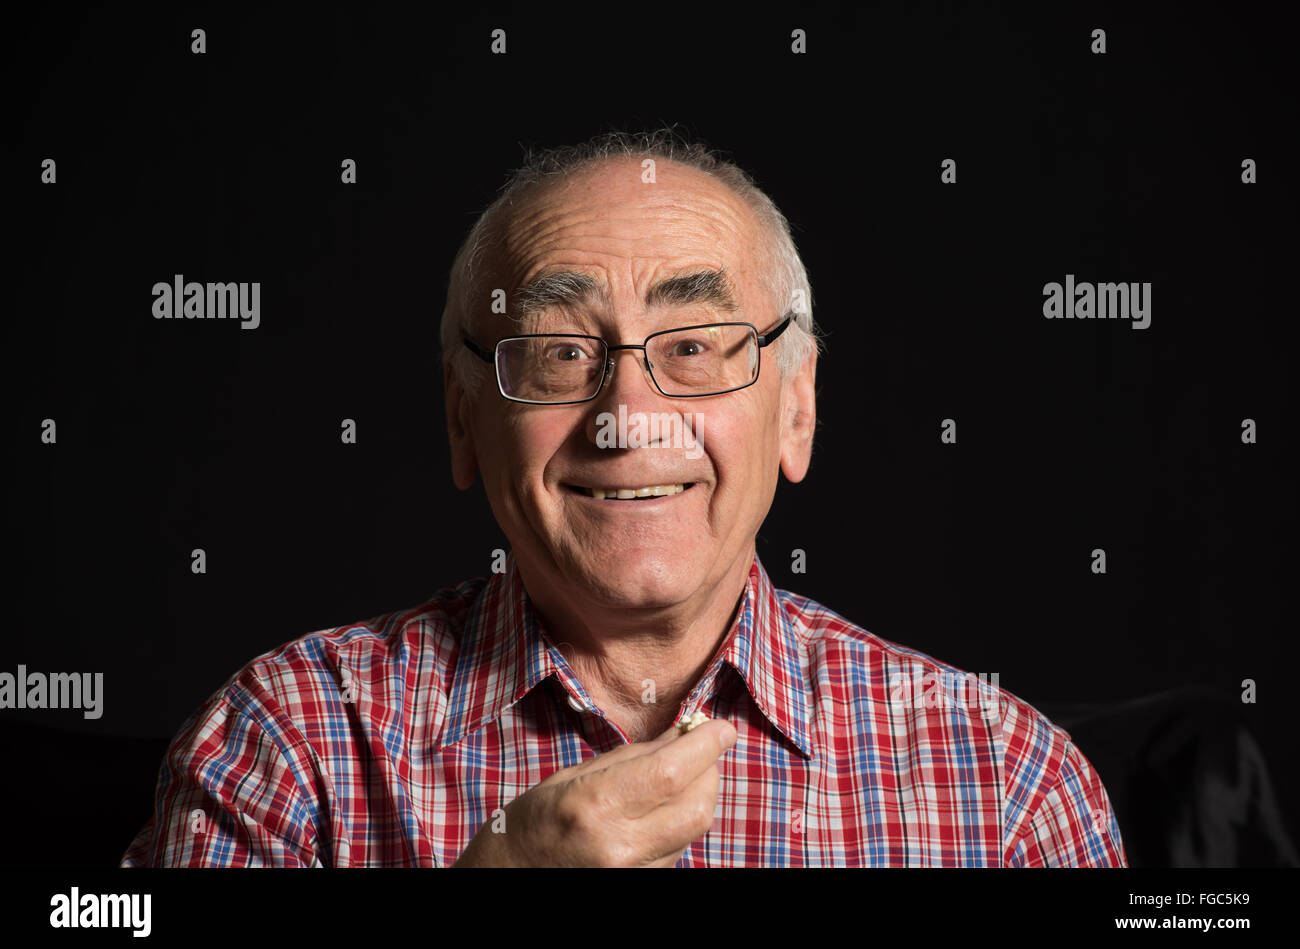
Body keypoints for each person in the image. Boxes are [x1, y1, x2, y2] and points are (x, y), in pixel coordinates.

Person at [121, 130, 1126, 867]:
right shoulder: (289, 745)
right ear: (464, 421)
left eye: (694, 347)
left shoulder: (1005, 787)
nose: (630, 414)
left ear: (797, 409)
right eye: (560, 353)